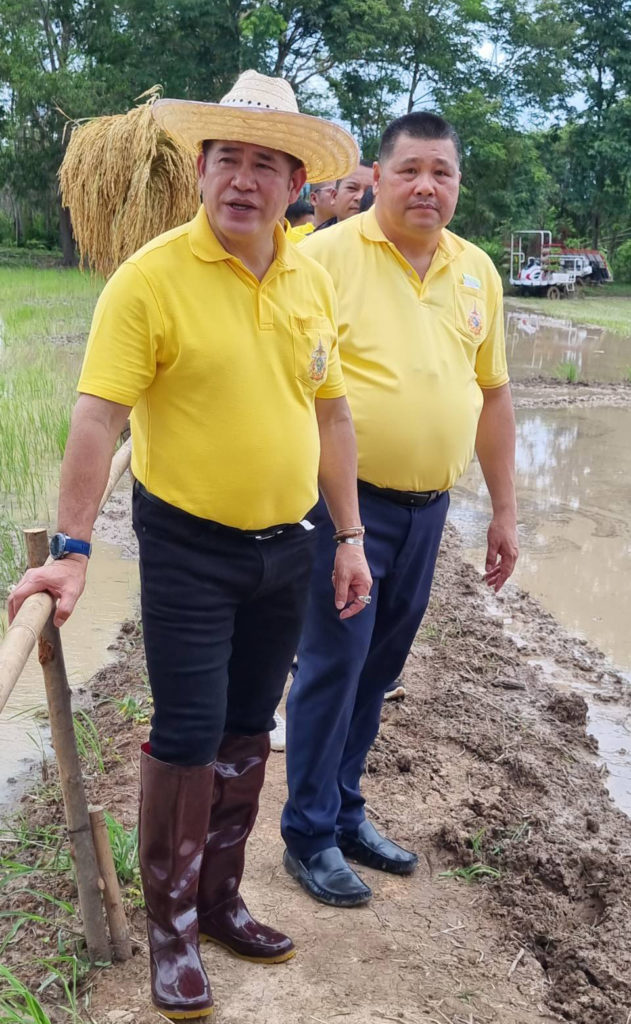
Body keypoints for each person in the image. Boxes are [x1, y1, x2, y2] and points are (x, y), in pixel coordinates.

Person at [9, 70, 372, 1020]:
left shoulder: (309, 275)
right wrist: (75, 546)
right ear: (200, 170)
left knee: (250, 727)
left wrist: (348, 536)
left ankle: (218, 901)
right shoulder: (153, 277)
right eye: (226, 159)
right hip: (188, 546)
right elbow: (97, 418)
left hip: (288, 543)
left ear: (295, 181)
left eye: (264, 162)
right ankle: (171, 928)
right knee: (186, 730)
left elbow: (330, 414)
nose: (242, 179)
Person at [281, 111, 518, 908]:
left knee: (378, 669)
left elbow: (491, 395)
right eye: (408, 169)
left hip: (427, 510)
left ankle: (345, 811)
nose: (426, 185)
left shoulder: (475, 270)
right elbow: (291, 392)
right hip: (340, 507)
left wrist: (503, 513)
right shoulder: (320, 258)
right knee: (332, 665)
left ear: (457, 184)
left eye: (441, 172)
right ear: (374, 178)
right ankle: (308, 834)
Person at [314, 159, 374, 230]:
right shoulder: (312, 240)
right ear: (334, 196)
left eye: (369, 191)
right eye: (352, 188)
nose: (360, 197)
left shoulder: (388, 240)